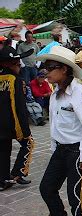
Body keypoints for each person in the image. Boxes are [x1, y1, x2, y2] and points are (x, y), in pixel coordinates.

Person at [37, 46, 82, 216]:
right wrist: (54, 148)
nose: (45, 72)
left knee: (75, 197)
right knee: (46, 188)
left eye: (50, 67)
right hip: (60, 151)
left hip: (76, 152)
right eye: (45, 67)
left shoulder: (80, 93)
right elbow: (56, 125)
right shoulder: (55, 93)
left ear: (64, 69)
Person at [0, 46, 34, 191]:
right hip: (12, 123)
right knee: (28, 143)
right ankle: (16, 173)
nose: (19, 66)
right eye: (16, 64)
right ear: (7, 64)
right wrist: (25, 129)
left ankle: (2, 179)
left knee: (3, 150)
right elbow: (19, 106)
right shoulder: (15, 80)